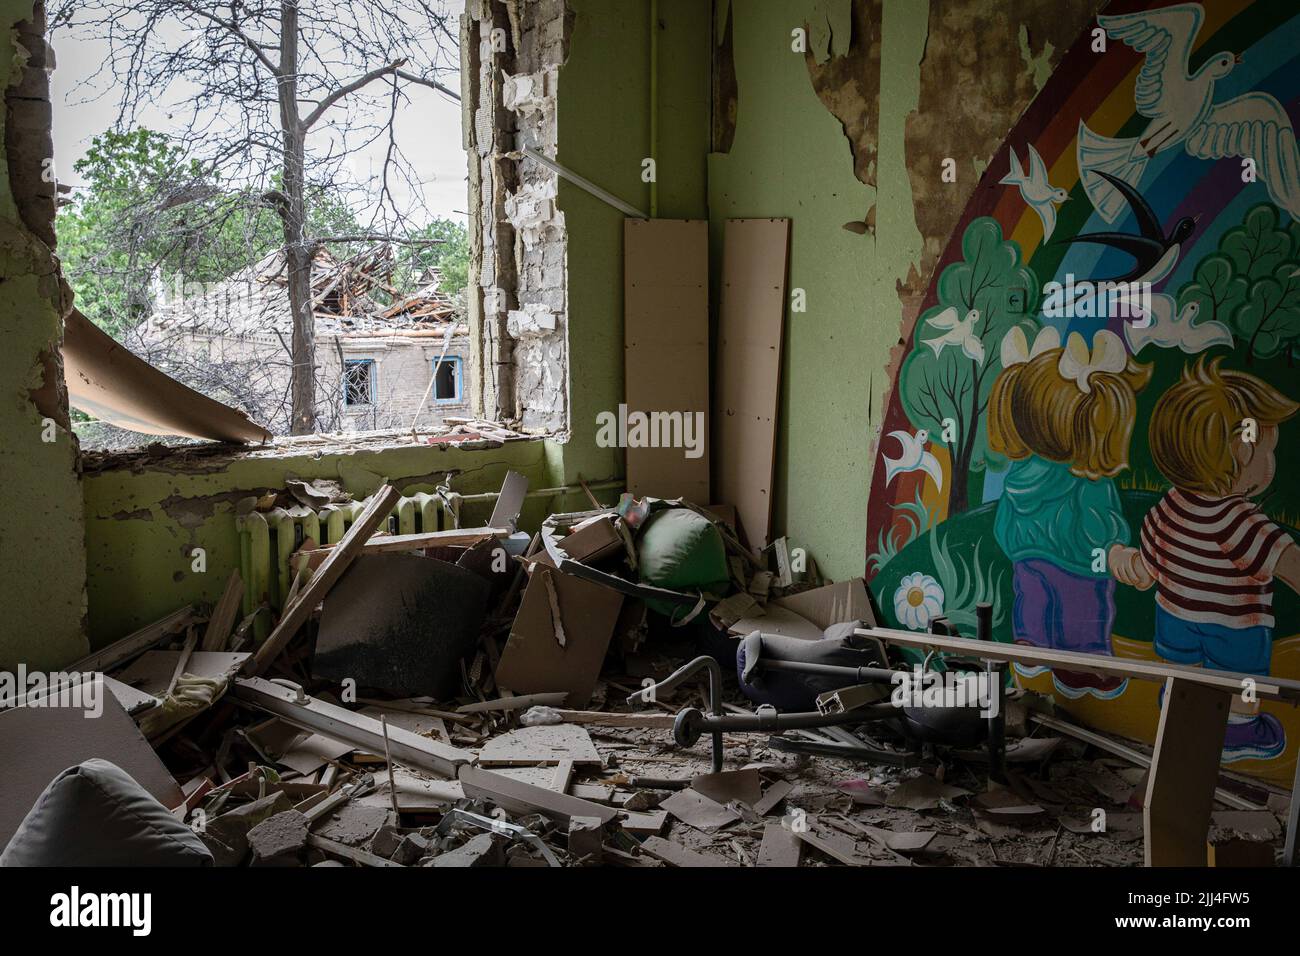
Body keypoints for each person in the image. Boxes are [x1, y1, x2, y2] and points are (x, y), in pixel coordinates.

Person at [1110, 356, 1300, 762]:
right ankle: (1240, 730)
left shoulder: (1168, 507)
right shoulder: (1243, 522)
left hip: (1175, 623)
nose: (1272, 461)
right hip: (1234, 631)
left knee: (1186, 673)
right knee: (1239, 683)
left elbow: (1147, 570)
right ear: (1244, 452)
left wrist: (1124, 561)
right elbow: (1291, 567)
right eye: (1269, 450)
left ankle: (1181, 707)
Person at [988, 325, 1151, 699]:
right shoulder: (1088, 477)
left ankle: (1030, 646)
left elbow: (1003, 526)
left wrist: (1022, 550)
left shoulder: (1021, 472)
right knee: (1083, 619)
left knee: (1034, 608)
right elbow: (1100, 528)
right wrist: (1113, 554)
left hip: (1027, 562)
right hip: (1082, 568)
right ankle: (1085, 665)